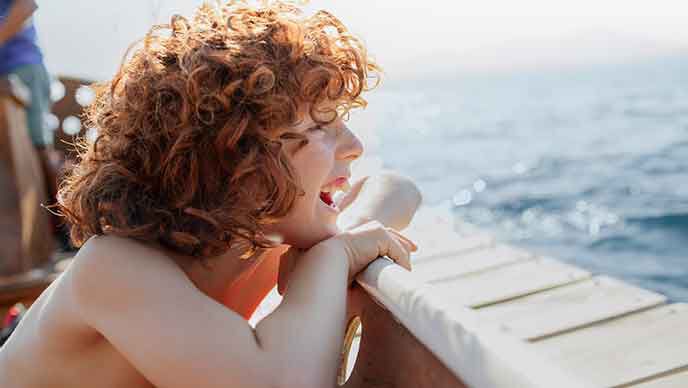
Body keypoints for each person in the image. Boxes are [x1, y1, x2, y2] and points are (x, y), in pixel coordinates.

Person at [0, 2, 422, 387]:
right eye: (319, 126)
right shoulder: (113, 268)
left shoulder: (262, 237)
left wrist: (341, 235)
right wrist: (334, 258)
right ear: (233, 161)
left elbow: (400, 190)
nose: (354, 146)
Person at [0, 0, 64, 238]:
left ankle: (67, 225)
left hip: (23, 69)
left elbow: (27, 5)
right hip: (4, 78)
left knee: (38, 146)